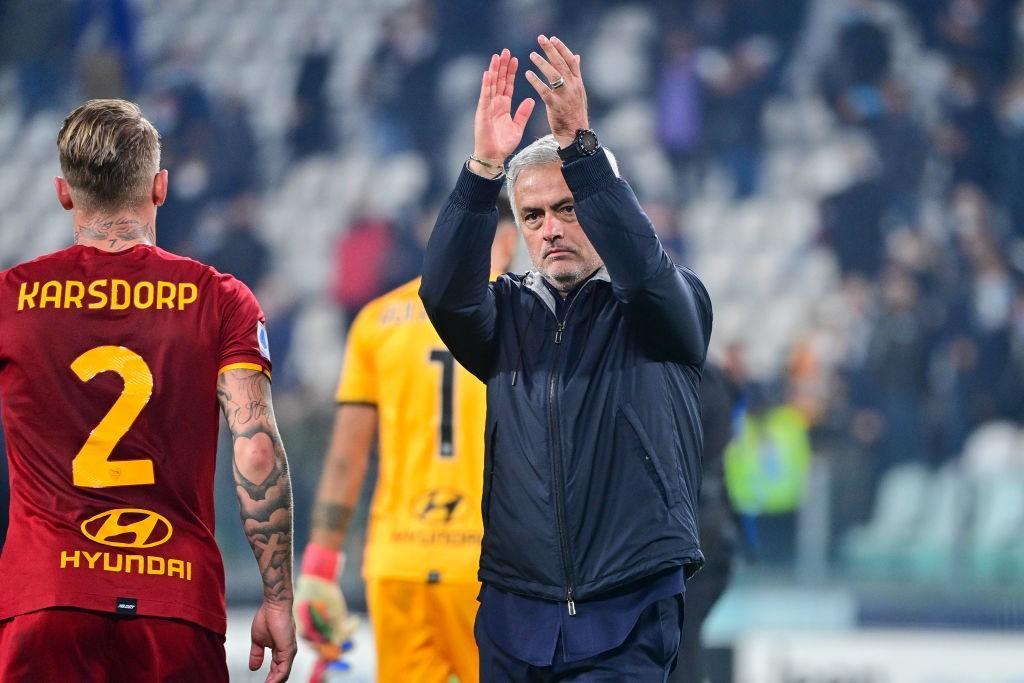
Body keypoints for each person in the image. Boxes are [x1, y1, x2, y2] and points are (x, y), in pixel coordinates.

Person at [419, 38, 713, 681]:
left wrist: (582, 151)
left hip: (627, 606)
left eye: (567, 208)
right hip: (513, 611)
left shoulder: (666, 305)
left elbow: (643, 271)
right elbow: (443, 295)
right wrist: (480, 173)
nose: (549, 228)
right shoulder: (506, 318)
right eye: (531, 216)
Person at [0, 99, 296, 683]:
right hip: (175, 602)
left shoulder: (11, 298)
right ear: (160, 186)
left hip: (47, 596)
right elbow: (256, 450)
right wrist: (278, 598)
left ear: (63, 192)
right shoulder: (220, 299)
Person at [294, 206, 518, 682]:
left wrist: (319, 566)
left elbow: (346, 456)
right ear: (508, 241)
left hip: (399, 559)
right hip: (491, 564)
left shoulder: (376, 322)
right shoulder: (523, 315)